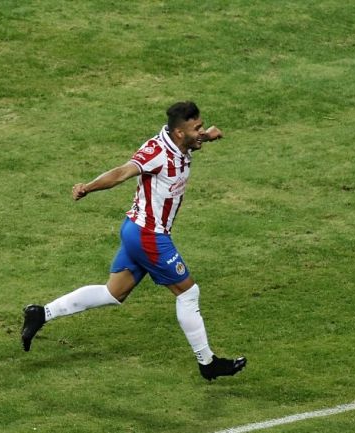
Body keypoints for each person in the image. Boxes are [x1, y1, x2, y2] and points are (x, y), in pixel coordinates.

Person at [21, 101, 247, 381]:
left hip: (136, 231)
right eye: (196, 128)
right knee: (188, 293)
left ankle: (41, 314)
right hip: (149, 236)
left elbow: (193, 139)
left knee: (113, 293)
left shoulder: (182, 141)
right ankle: (207, 362)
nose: (200, 131)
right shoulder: (157, 152)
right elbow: (120, 173)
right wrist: (87, 188)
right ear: (179, 132)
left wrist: (207, 135)